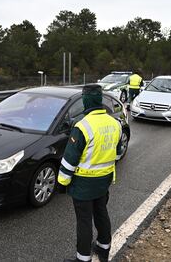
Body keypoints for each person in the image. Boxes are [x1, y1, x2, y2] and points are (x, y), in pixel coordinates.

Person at [58, 84, 122, 262]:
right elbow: (118, 153)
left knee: (84, 221)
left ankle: (83, 258)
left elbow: (69, 160)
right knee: (101, 212)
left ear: (86, 101)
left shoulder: (83, 126)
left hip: (83, 184)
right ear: (100, 100)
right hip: (105, 181)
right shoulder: (115, 124)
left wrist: (62, 183)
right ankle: (103, 248)